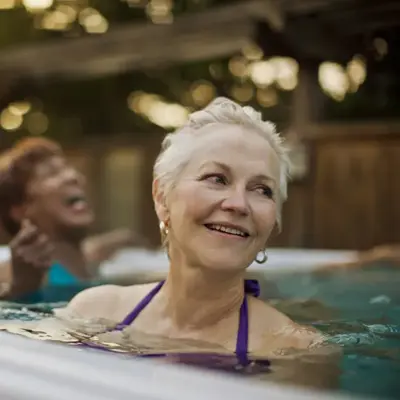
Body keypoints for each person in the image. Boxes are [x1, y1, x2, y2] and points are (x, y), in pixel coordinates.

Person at [60, 98, 339, 387]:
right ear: (162, 197)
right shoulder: (92, 313)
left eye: (262, 189)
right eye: (217, 178)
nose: (239, 204)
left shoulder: (297, 351)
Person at [0, 138, 147, 300]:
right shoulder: (9, 273)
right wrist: (20, 289)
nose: (73, 176)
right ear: (21, 209)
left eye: (69, 168)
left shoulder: (94, 260)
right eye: (52, 173)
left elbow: (109, 243)